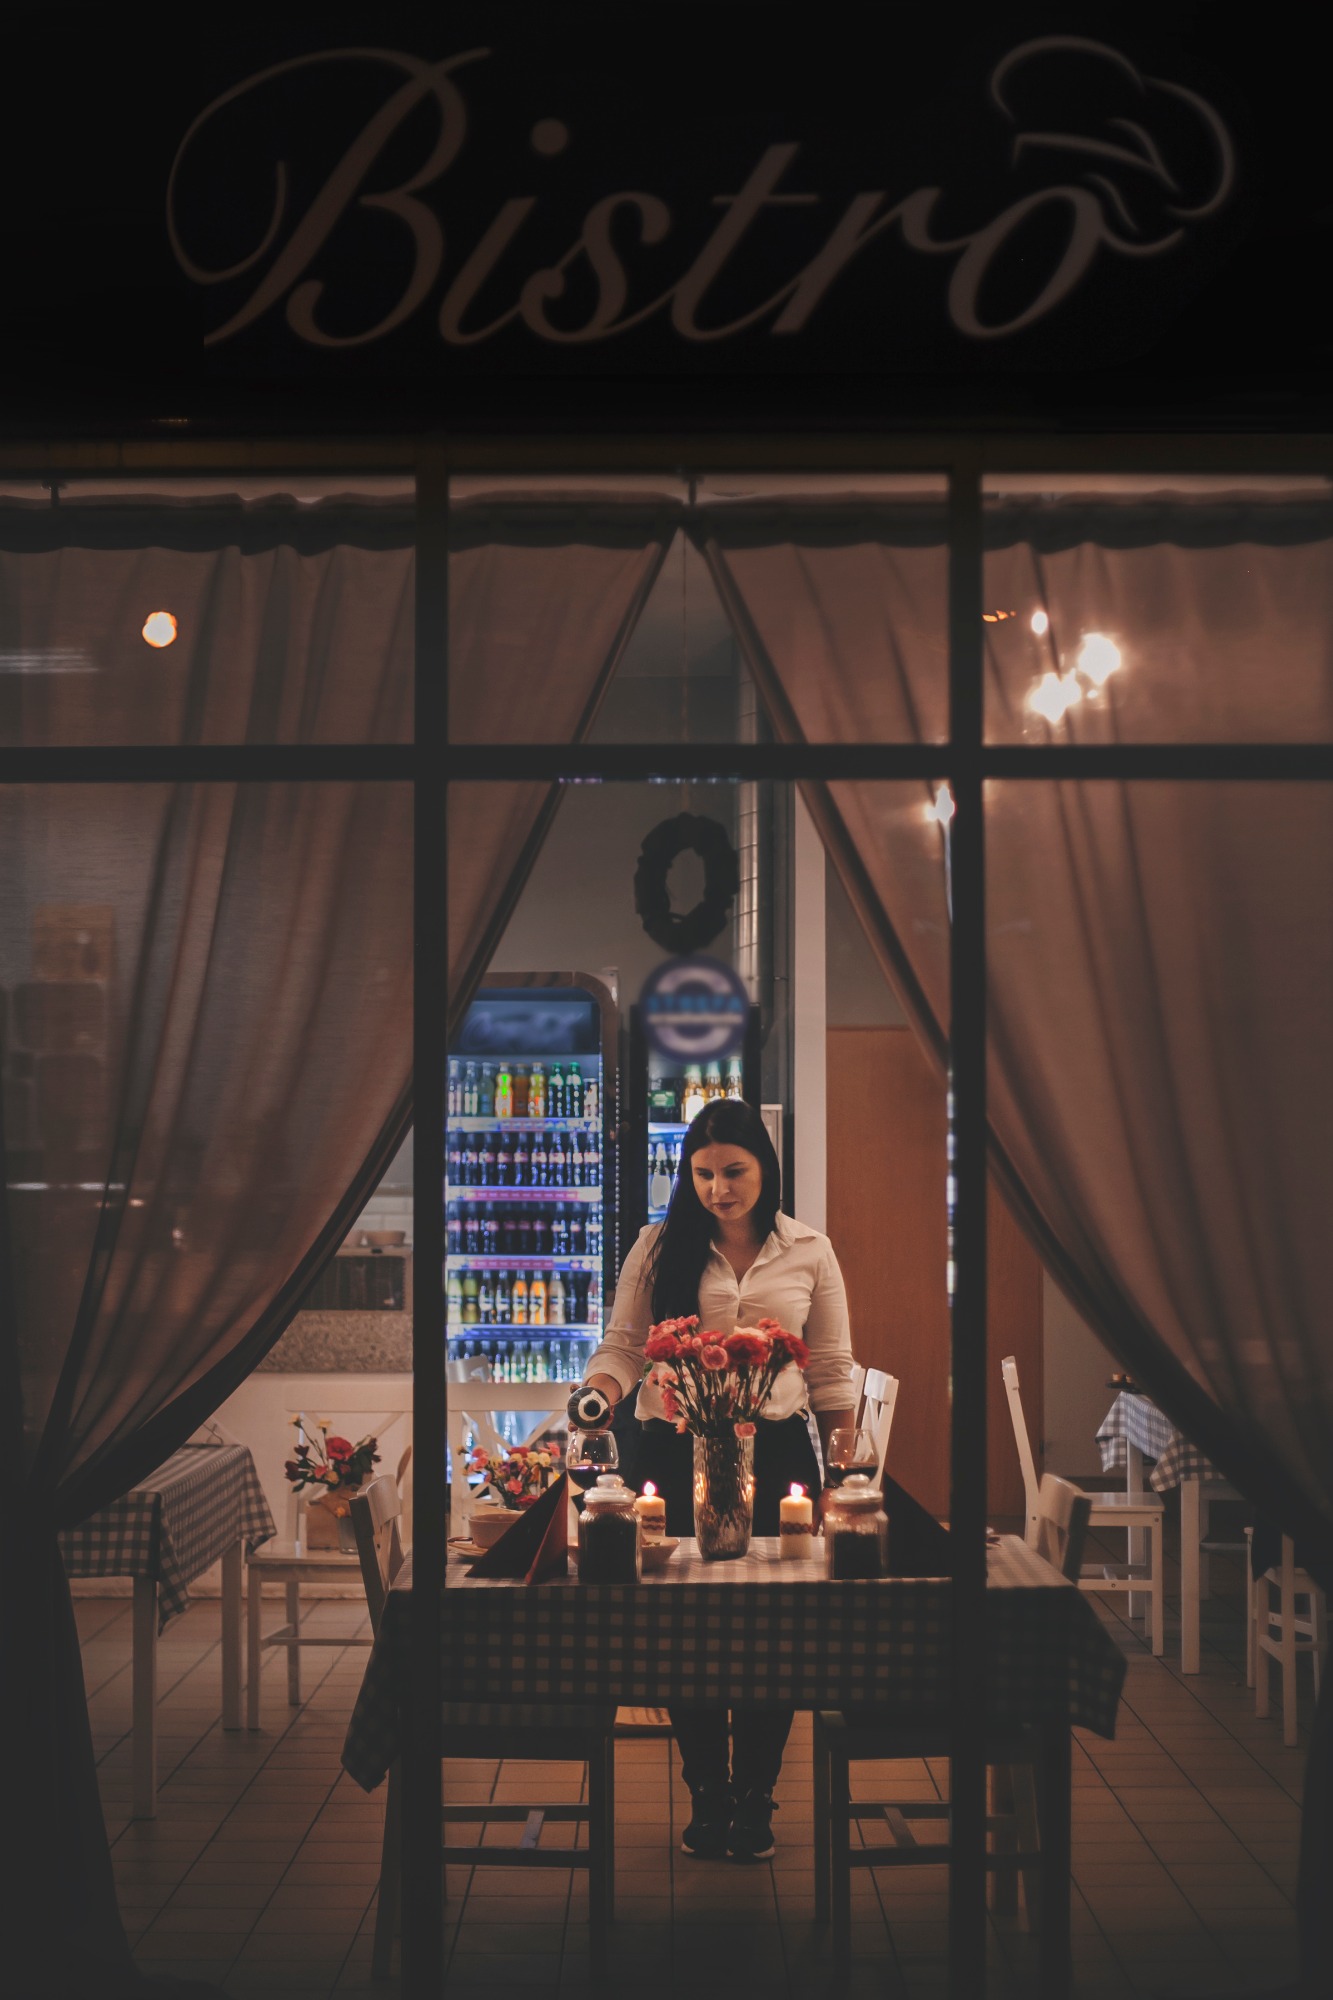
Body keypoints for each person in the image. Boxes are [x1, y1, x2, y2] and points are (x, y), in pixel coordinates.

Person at [578, 1096, 857, 1863]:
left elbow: (832, 1371)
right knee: (683, 1627)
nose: (717, 1188)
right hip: (671, 1451)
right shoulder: (658, 1244)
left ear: (765, 1167)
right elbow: (623, 1345)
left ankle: (756, 1793)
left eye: (733, 1171)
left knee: (777, 1628)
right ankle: (705, 1788)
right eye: (702, 1174)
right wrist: (597, 1394)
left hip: (777, 1456)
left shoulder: (810, 1249)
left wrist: (844, 1471)